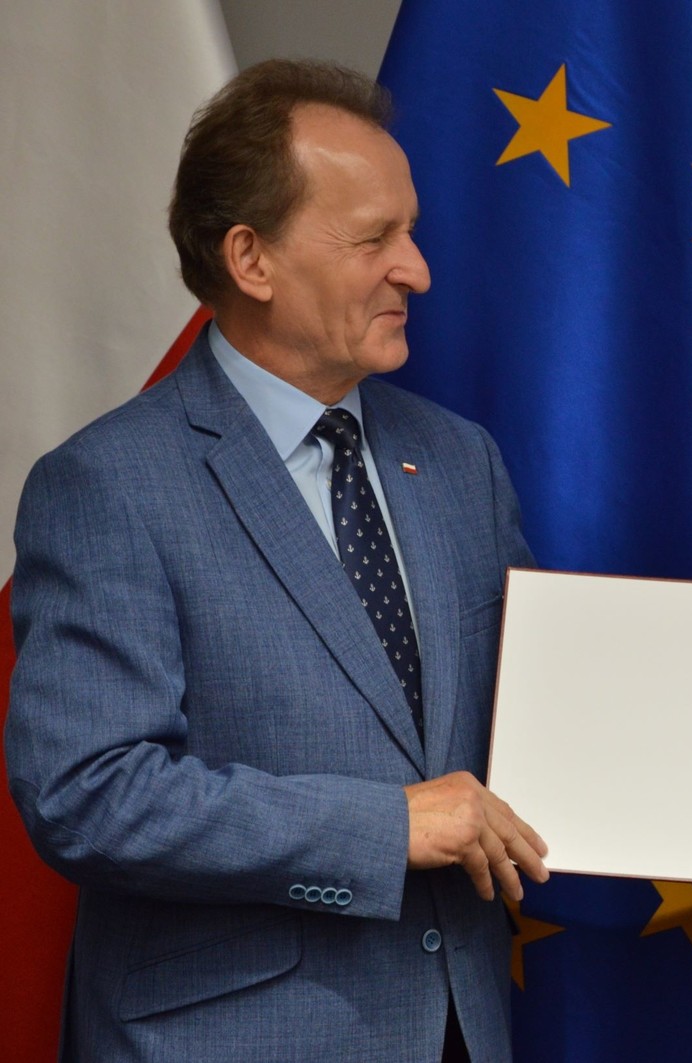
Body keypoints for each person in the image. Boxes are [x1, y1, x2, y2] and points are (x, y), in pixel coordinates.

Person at [5, 60, 548, 1062]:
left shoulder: (460, 461)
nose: (418, 270)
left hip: (458, 1031)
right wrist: (384, 828)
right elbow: (87, 792)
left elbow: (543, 729)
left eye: (412, 232)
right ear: (251, 259)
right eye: (374, 239)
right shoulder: (107, 486)